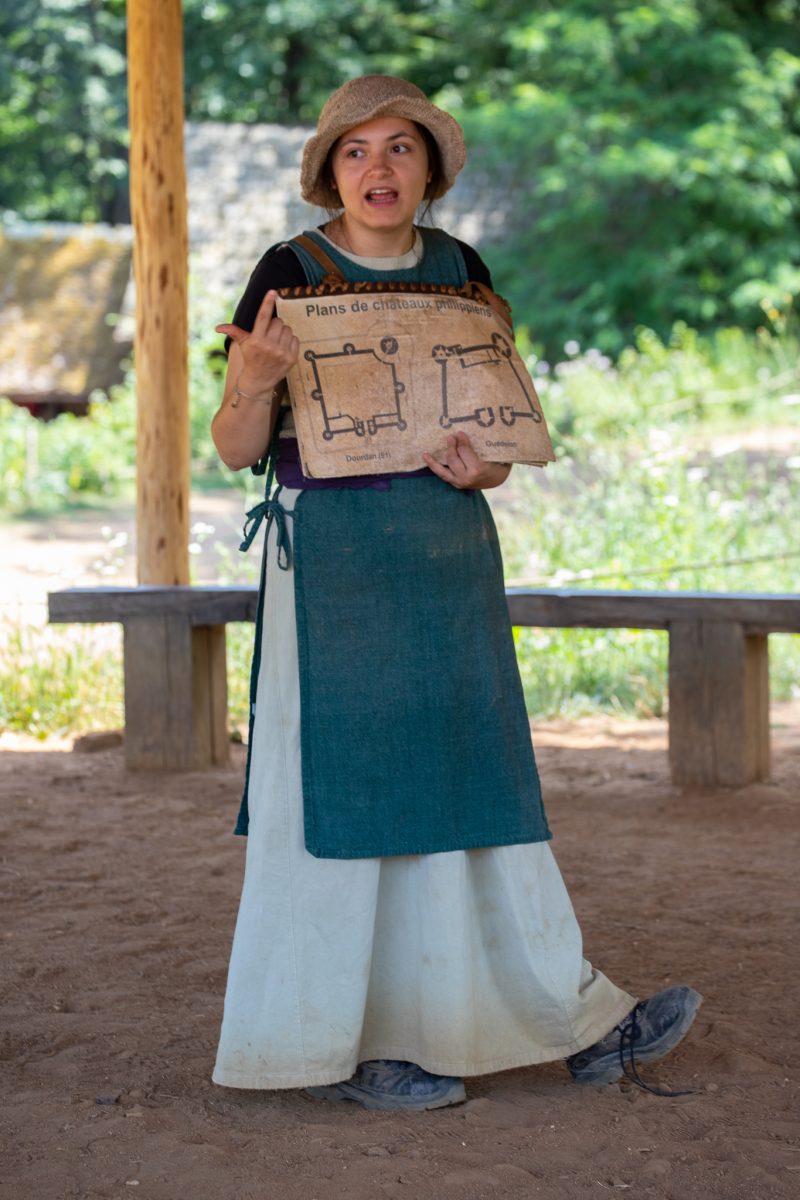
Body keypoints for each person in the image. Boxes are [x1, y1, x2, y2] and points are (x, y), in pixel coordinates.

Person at [210, 74, 701, 1110]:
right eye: (356, 150)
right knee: (345, 803)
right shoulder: (286, 272)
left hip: (446, 554)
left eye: (399, 148)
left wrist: (485, 470)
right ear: (328, 170)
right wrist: (254, 378)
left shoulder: (462, 271)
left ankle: (569, 1016)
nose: (377, 168)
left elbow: (498, 446)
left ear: (428, 168)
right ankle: (354, 1049)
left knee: (476, 789)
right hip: (331, 562)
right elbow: (233, 447)